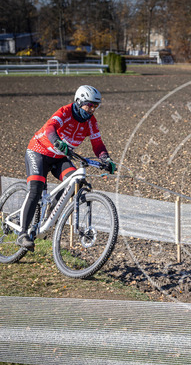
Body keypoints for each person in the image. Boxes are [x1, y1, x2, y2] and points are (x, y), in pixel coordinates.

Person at [16, 85, 117, 250]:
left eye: (95, 106)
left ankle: (49, 215)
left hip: (60, 157)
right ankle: (22, 234)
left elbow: (97, 144)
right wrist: (56, 141)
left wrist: (106, 158)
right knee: (36, 188)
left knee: (75, 181)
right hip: (39, 151)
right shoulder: (65, 111)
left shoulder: (91, 122)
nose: (92, 109)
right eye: (89, 105)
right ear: (79, 102)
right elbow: (50, 127)